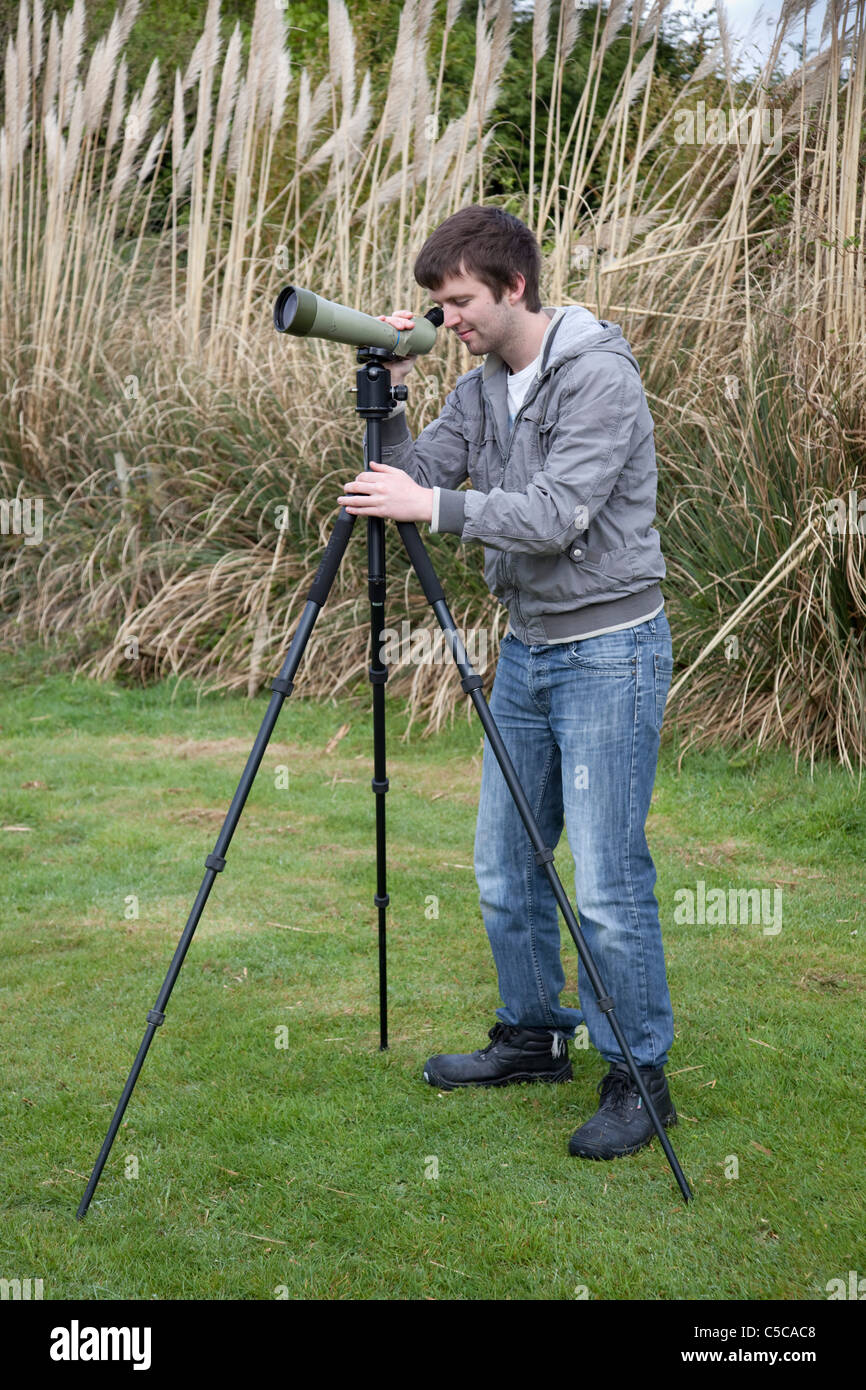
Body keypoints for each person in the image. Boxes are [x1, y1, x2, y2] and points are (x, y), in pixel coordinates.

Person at [336, 205, 677, 1159]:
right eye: (439, 308)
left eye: (459, 304)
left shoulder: (598, 377)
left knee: (606, 881)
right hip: (527, 649)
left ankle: (637, 1076)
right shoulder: (484, 386)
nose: (449, 323)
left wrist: (432, 503)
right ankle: (533, 1036)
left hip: (611, 649)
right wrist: (392, 398)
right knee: (504, 865)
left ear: (513, 287)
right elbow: (411, 476)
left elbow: (558, 513)